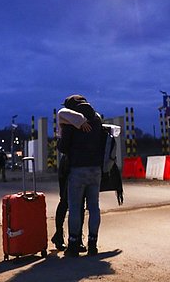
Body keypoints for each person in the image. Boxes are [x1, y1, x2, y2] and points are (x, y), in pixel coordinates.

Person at [58, 95, 105, 257]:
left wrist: (60, 138)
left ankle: (73, 245)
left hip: (77, 169)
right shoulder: (97, 118)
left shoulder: (71, 122)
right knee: (94, 207)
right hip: (96, 170)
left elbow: (63, 147)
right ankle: (93, 245)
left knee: (75, 209)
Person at [51, 98, 91, 252]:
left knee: (71, 203)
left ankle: (69, 237)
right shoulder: (70, 122)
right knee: (69, 202)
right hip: (69, 166)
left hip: (74, 165)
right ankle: (64, 236)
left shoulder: (84, 122)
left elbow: (62, 147)